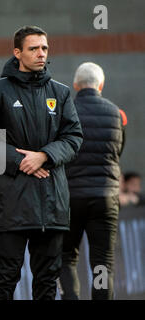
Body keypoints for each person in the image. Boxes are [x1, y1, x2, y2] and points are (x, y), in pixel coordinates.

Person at [0, 25, 83, 300]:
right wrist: (19, 160)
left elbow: (74, 137)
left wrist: (44, 155)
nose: (41, 54)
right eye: (33, 49)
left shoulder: (61, 92)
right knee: (5, 280)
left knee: (47, 282)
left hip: (52, 204)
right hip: (11, 203)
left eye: (44, 48)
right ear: (17, 52)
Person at [60, 62, 126, 299]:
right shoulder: (116, 113)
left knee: (66, 256)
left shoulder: (65, 112)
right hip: (105, 198)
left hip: (71, 197)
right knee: (102, 262)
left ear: (76, 85)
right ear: (101, 84)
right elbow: (117, 152)